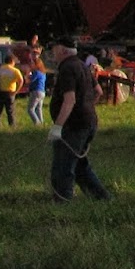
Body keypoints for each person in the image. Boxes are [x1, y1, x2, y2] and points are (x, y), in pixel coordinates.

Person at [48, 38, 110, 202]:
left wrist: (57, 127)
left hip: (74, 126)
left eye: (54, 49)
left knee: (63, 165)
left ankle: (63, 201)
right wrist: (87, 107)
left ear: (62, 50)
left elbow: (70, 99)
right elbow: (98, 91)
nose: (53, 53)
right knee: (80, 167)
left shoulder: (67, 68)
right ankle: (102, 198)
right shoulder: (82, 65)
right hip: (88, 122)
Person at [0, 52, 22, 127]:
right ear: (12, 61)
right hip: (10, 92)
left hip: (0, 92)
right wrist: (16, 91)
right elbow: (21, 81)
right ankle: (12, 125)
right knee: (10, 110)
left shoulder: (0, 69)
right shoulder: (15, 70)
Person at [26, 54, 48, 125]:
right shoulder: (43, 73)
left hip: (36, 91)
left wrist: (27, 76)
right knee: (38, 108)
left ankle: (37, 123)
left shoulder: (36, 72)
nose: (31, 65)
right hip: (42, 92)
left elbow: (30, 80)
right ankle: (41, 122)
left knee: (30, 109)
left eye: (32, 63)